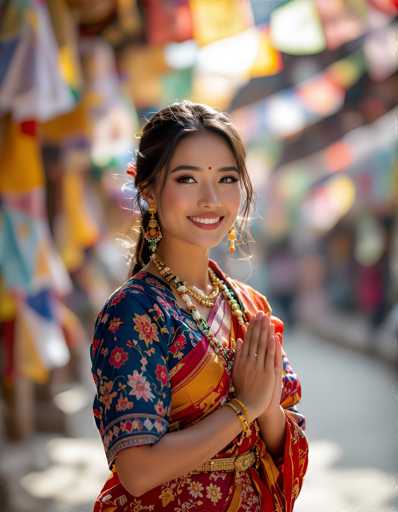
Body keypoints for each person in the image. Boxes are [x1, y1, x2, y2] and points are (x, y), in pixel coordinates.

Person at [90, 101, 309, 511]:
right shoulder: (134, 313)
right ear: (149, 190)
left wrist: (265, 407)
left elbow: (285, 438)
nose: (211, 198)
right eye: (188, 178)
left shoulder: (250, 306)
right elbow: (137, 471)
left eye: (227, 178)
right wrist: (244, 407)